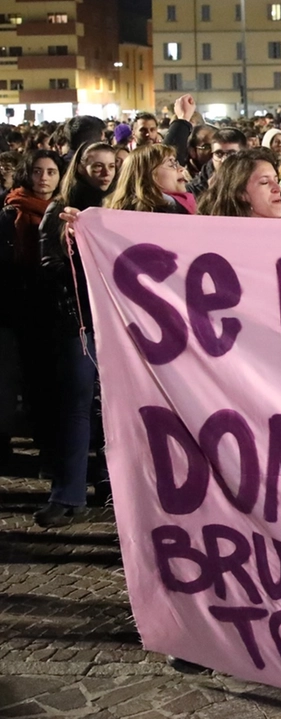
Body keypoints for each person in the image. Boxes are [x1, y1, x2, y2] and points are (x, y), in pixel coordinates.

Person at [32, 142, 118, 525]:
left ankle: (111, 482)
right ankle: (67, 494)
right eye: (95, 165)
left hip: (118, 322)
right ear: (80, 166)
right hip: (79, 322)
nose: (104, 172)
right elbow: (49, 263)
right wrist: (71, 248)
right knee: (79, 404)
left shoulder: (121, 205)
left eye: (111, 165)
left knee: (114, 407)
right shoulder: (62, 207)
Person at [0, 150, 66, 483]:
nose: (44, 178)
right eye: (38, 171)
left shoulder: (67, 212)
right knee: (15, 383)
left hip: (51, 310)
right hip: (15, 310)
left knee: (48, 386)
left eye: (51, 172)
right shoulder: (10, 212)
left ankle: (50, 452)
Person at [198, 148, 281, 219]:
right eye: (264, 182)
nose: (278, 188)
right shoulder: (214, 237)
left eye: (276, 180)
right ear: (240, 193)